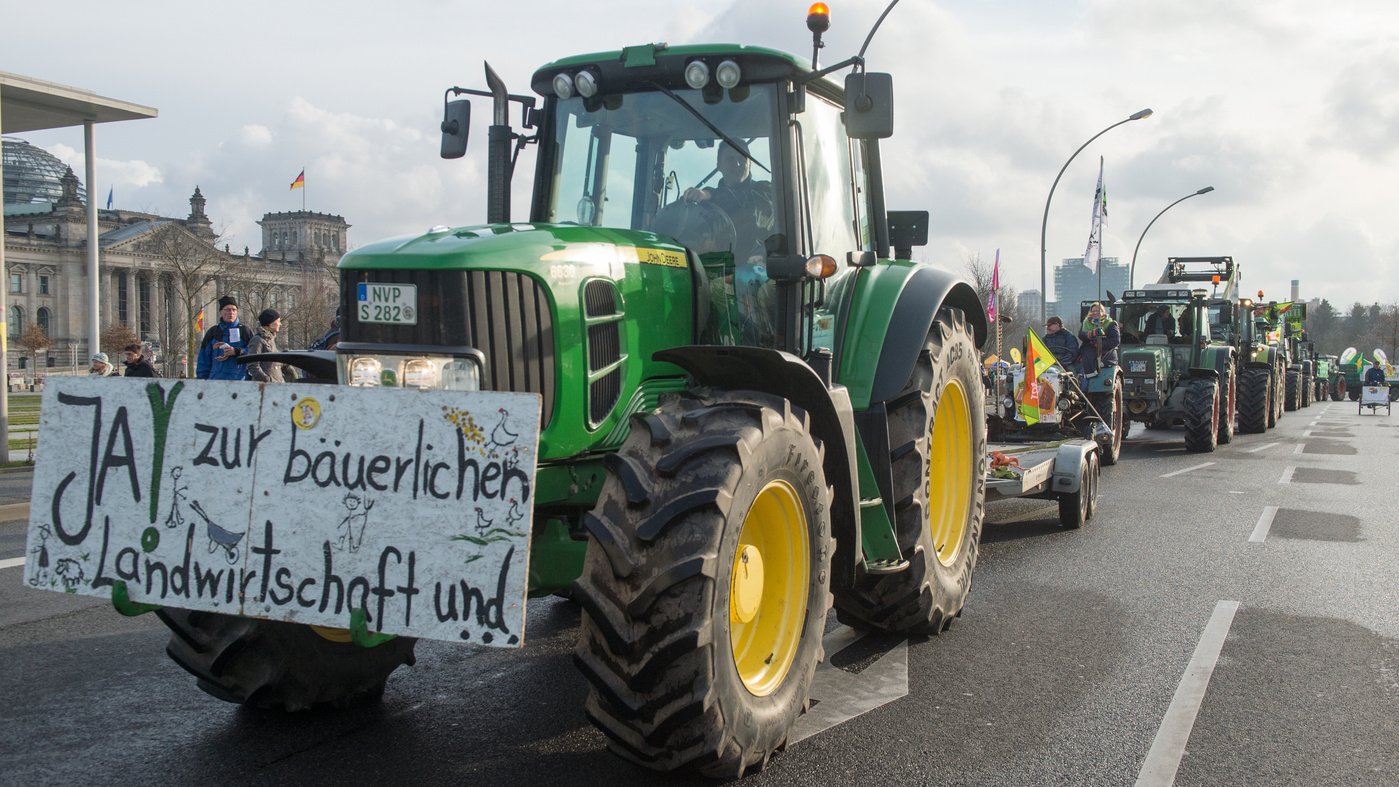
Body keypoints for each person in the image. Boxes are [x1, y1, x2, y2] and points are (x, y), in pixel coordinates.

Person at [683, 140, 775, 259]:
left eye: (741, 158)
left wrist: (709, 194)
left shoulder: (766, 191)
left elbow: (746, 206)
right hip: (715, 269)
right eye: (730, 159)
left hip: (760, 270)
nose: (736, 164)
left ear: (750, 163)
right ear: (719, 165)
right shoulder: (705, 208)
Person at [196, 295, 250, 381]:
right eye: (227, 310)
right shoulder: (213, 332)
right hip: (216, 382)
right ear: (220, 312)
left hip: (239, 382)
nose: (231, 312)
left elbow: (253, 352)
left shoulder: (245, 331)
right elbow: (203, 359)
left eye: (234, 310)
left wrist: (237, 351)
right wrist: (202, 381)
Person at [1078, 301, 1120, 378]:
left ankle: (1091, 374)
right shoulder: (1086, 323)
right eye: (1093, 311)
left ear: (1103, 311)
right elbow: (1081, 335)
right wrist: (1091, 334)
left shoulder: (1110, 324)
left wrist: (1099, 343)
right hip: (1088, 349)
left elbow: (1115, 341)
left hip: (1105, 352)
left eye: (1098, 310)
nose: (1095, 312)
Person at [246, 308, 285, 383]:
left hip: (277, 385)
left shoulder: (271, 340)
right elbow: (253, 365)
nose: (280, 324)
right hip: (265, 388)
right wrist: (267, 380)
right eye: (278, 321)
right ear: (271, 324)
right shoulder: (257, 340)